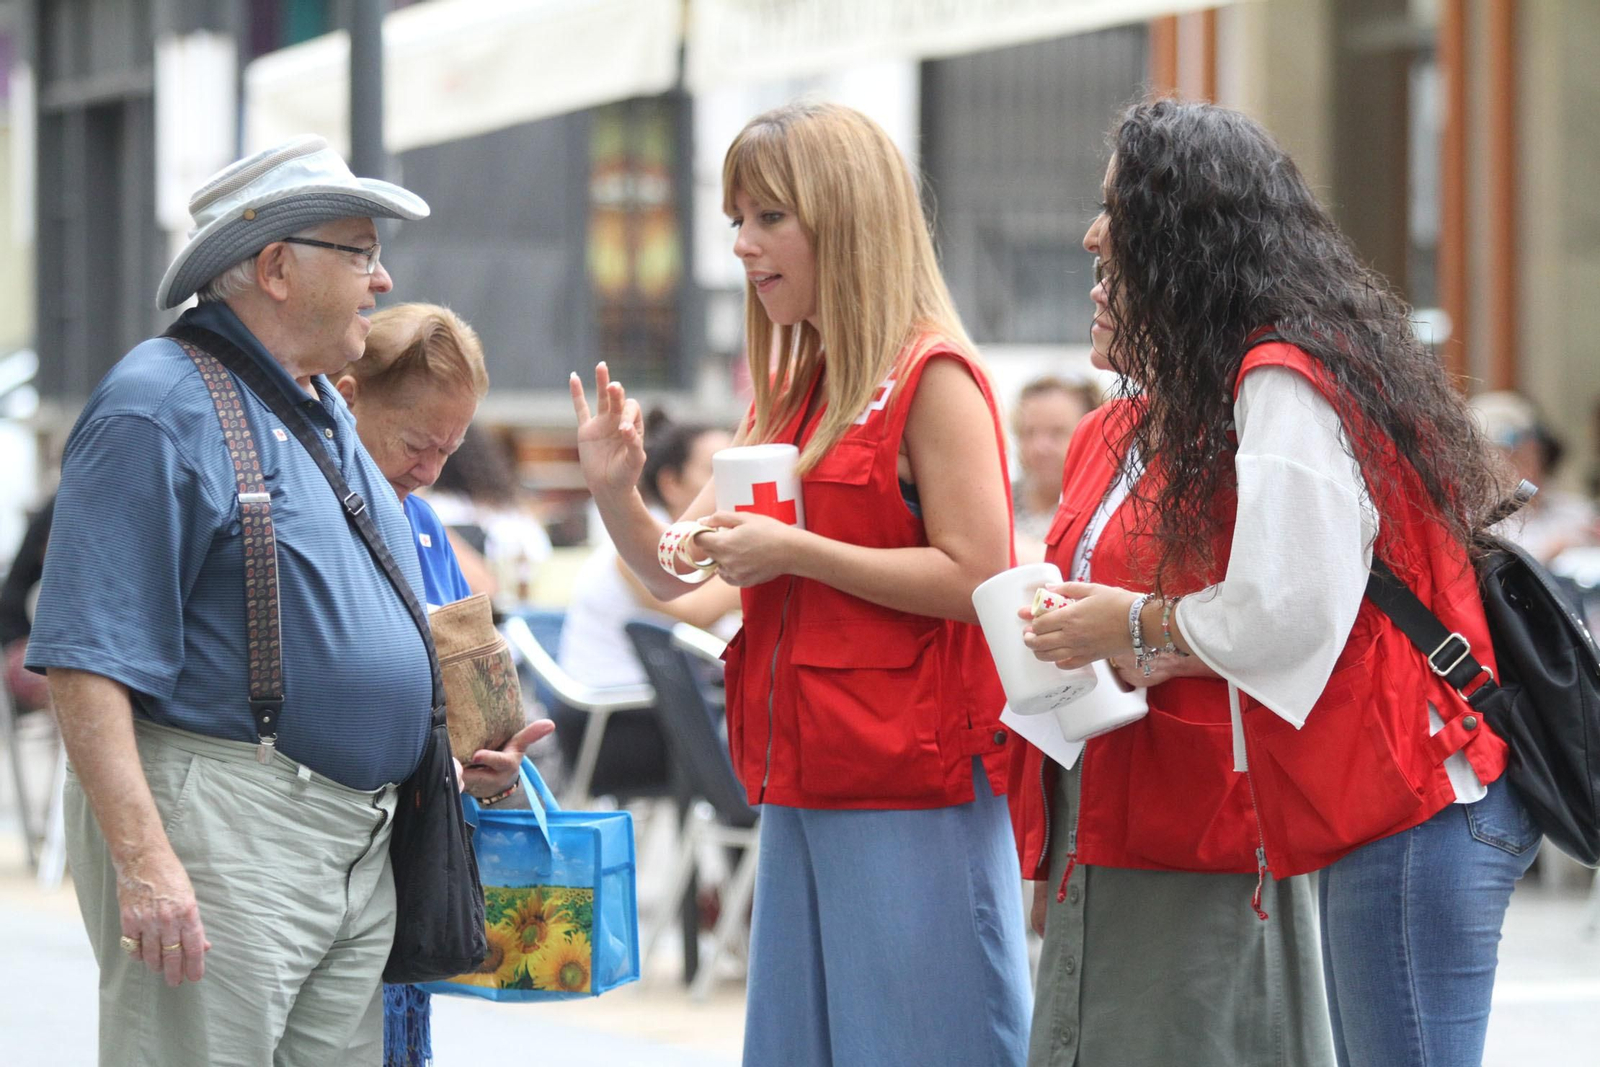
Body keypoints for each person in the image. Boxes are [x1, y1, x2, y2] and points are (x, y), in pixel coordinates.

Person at [1011, 99, 1537, 1067]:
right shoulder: (1290, 364)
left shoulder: (1279, 376)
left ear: (1184, 232)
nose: (1091, 236)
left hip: (1414, 799)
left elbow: (1282, 613)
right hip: (1405, 798)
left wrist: (1127, 623)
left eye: (1114, 210)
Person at [571, 101, 1031, 1067]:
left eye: (768, 217)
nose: (742, 245)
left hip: (910, 785)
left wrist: (798, 554)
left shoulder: (931, 375)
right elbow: (676, 572)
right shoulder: (797, 388)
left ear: (846, 216)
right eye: (737, 219)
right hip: (805, 778)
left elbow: (983, 574)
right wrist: (615, 491)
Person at [26, 135, 441, 1066]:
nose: (382, 281)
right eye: (362, 251)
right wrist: (145, 859)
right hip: (225, 831)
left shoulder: (319, 404)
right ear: (277, 267)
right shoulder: (156, 404)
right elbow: (85, 664)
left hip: (343, 840)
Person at [336, 301, 554, 1067]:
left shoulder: (423, 522)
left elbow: (466, 696)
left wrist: (495, 771)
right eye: (418, 443)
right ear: (348, 396)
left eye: (452, 448)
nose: (430, 469)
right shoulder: (315, 516)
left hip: (418, 852)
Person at [554, 411, 738, 795]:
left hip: (645, 711)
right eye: (716, 472)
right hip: (612, 723)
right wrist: (775, 565)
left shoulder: (681, 543)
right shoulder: (637, 547)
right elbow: (693, 614)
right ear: (671, 483)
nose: (730, 485)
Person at [1471, 390, 1597, 564]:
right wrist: (1552, 551)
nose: (1529, 468)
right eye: (1515, 459)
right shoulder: (1480, 523)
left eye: (1534, 455)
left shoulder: (1574, 510)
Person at [1011, 376, 1100, 562]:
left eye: (1057, 433)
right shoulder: (999, 500)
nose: (1039, 447)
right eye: (1029, 432)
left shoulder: (1105, 509)